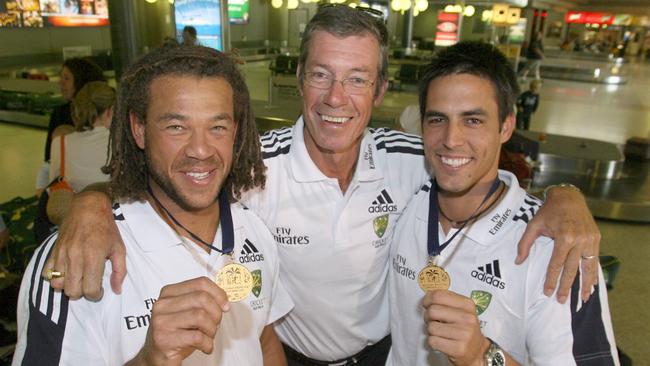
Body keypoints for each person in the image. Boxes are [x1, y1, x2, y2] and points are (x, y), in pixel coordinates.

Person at [45, 5, 601, 365]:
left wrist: (565, 198)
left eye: (357, 79)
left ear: (380, 89)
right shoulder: (251, 166)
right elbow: (170, 174)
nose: (337, 99)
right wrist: (91, 205)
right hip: (292, 356)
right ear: (299, 79)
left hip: (386, 354)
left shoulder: (415, 161)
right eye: (321, 75)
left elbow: (477, 167)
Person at [13, 45, 292, 365]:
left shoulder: (252, 228)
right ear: (139, 129)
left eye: (217, 126)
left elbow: (264, 340)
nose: (200, 149)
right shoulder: (78, 257)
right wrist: (148, 360)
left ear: (235, 132)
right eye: (176, 127)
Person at [388, 41, 618, 366]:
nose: (451, 139)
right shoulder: (401, 196)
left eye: (473, 120)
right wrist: (565, 190)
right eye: (437, 119)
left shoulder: (554, 250)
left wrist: (483, 355)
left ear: (506, 125)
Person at [46, 81, 115, 225]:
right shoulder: (124, 140)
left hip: (80, 222)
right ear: (110, 110)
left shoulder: (60, 143)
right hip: (119, 220)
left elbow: (52, 189)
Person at [36, 58, 106, 196]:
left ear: (81, 81)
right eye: (60, 77)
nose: (60, 82)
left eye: (66, 78)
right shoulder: (60, 114)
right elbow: (49, 160)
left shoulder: (104, 114)